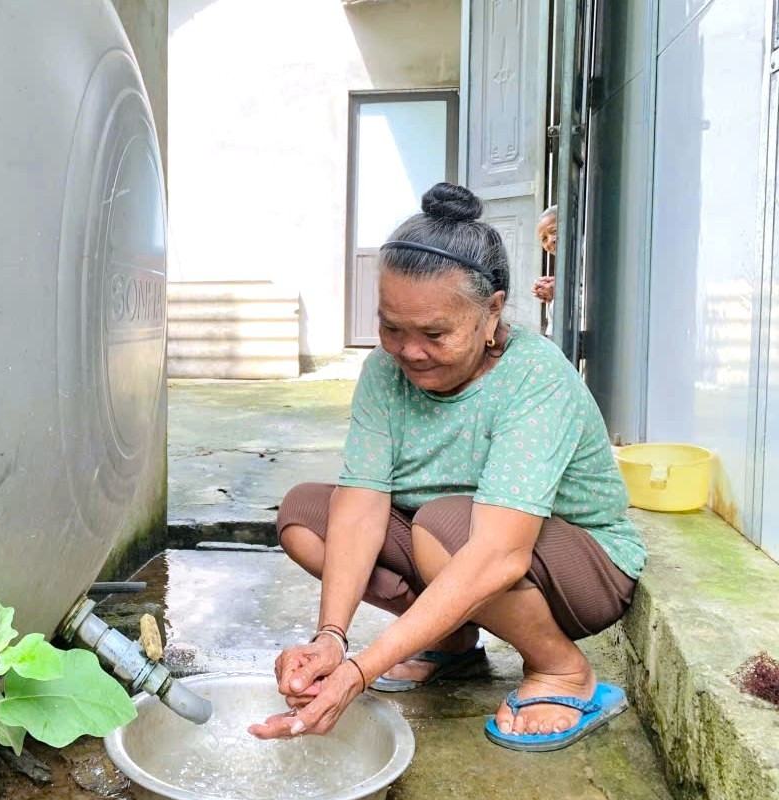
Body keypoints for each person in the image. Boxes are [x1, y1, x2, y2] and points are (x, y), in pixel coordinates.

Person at [250, 183, 645, 752]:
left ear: (492, 312)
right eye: (391, 328)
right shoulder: (385, 376)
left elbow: (499, 552)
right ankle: (454, 640)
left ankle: (562, 670)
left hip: (575, 565)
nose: (408, 352)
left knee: (443, 527)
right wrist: (332, 639)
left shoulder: (535, 378)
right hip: (457, 542)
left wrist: (359, 673)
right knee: (308, 515)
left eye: (434, 334)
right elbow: (360, 505)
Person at [533, 205, 557, 304]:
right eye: (544, 239)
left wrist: (560, 292)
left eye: (554, 231)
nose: (550, 240)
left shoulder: (586, 251)